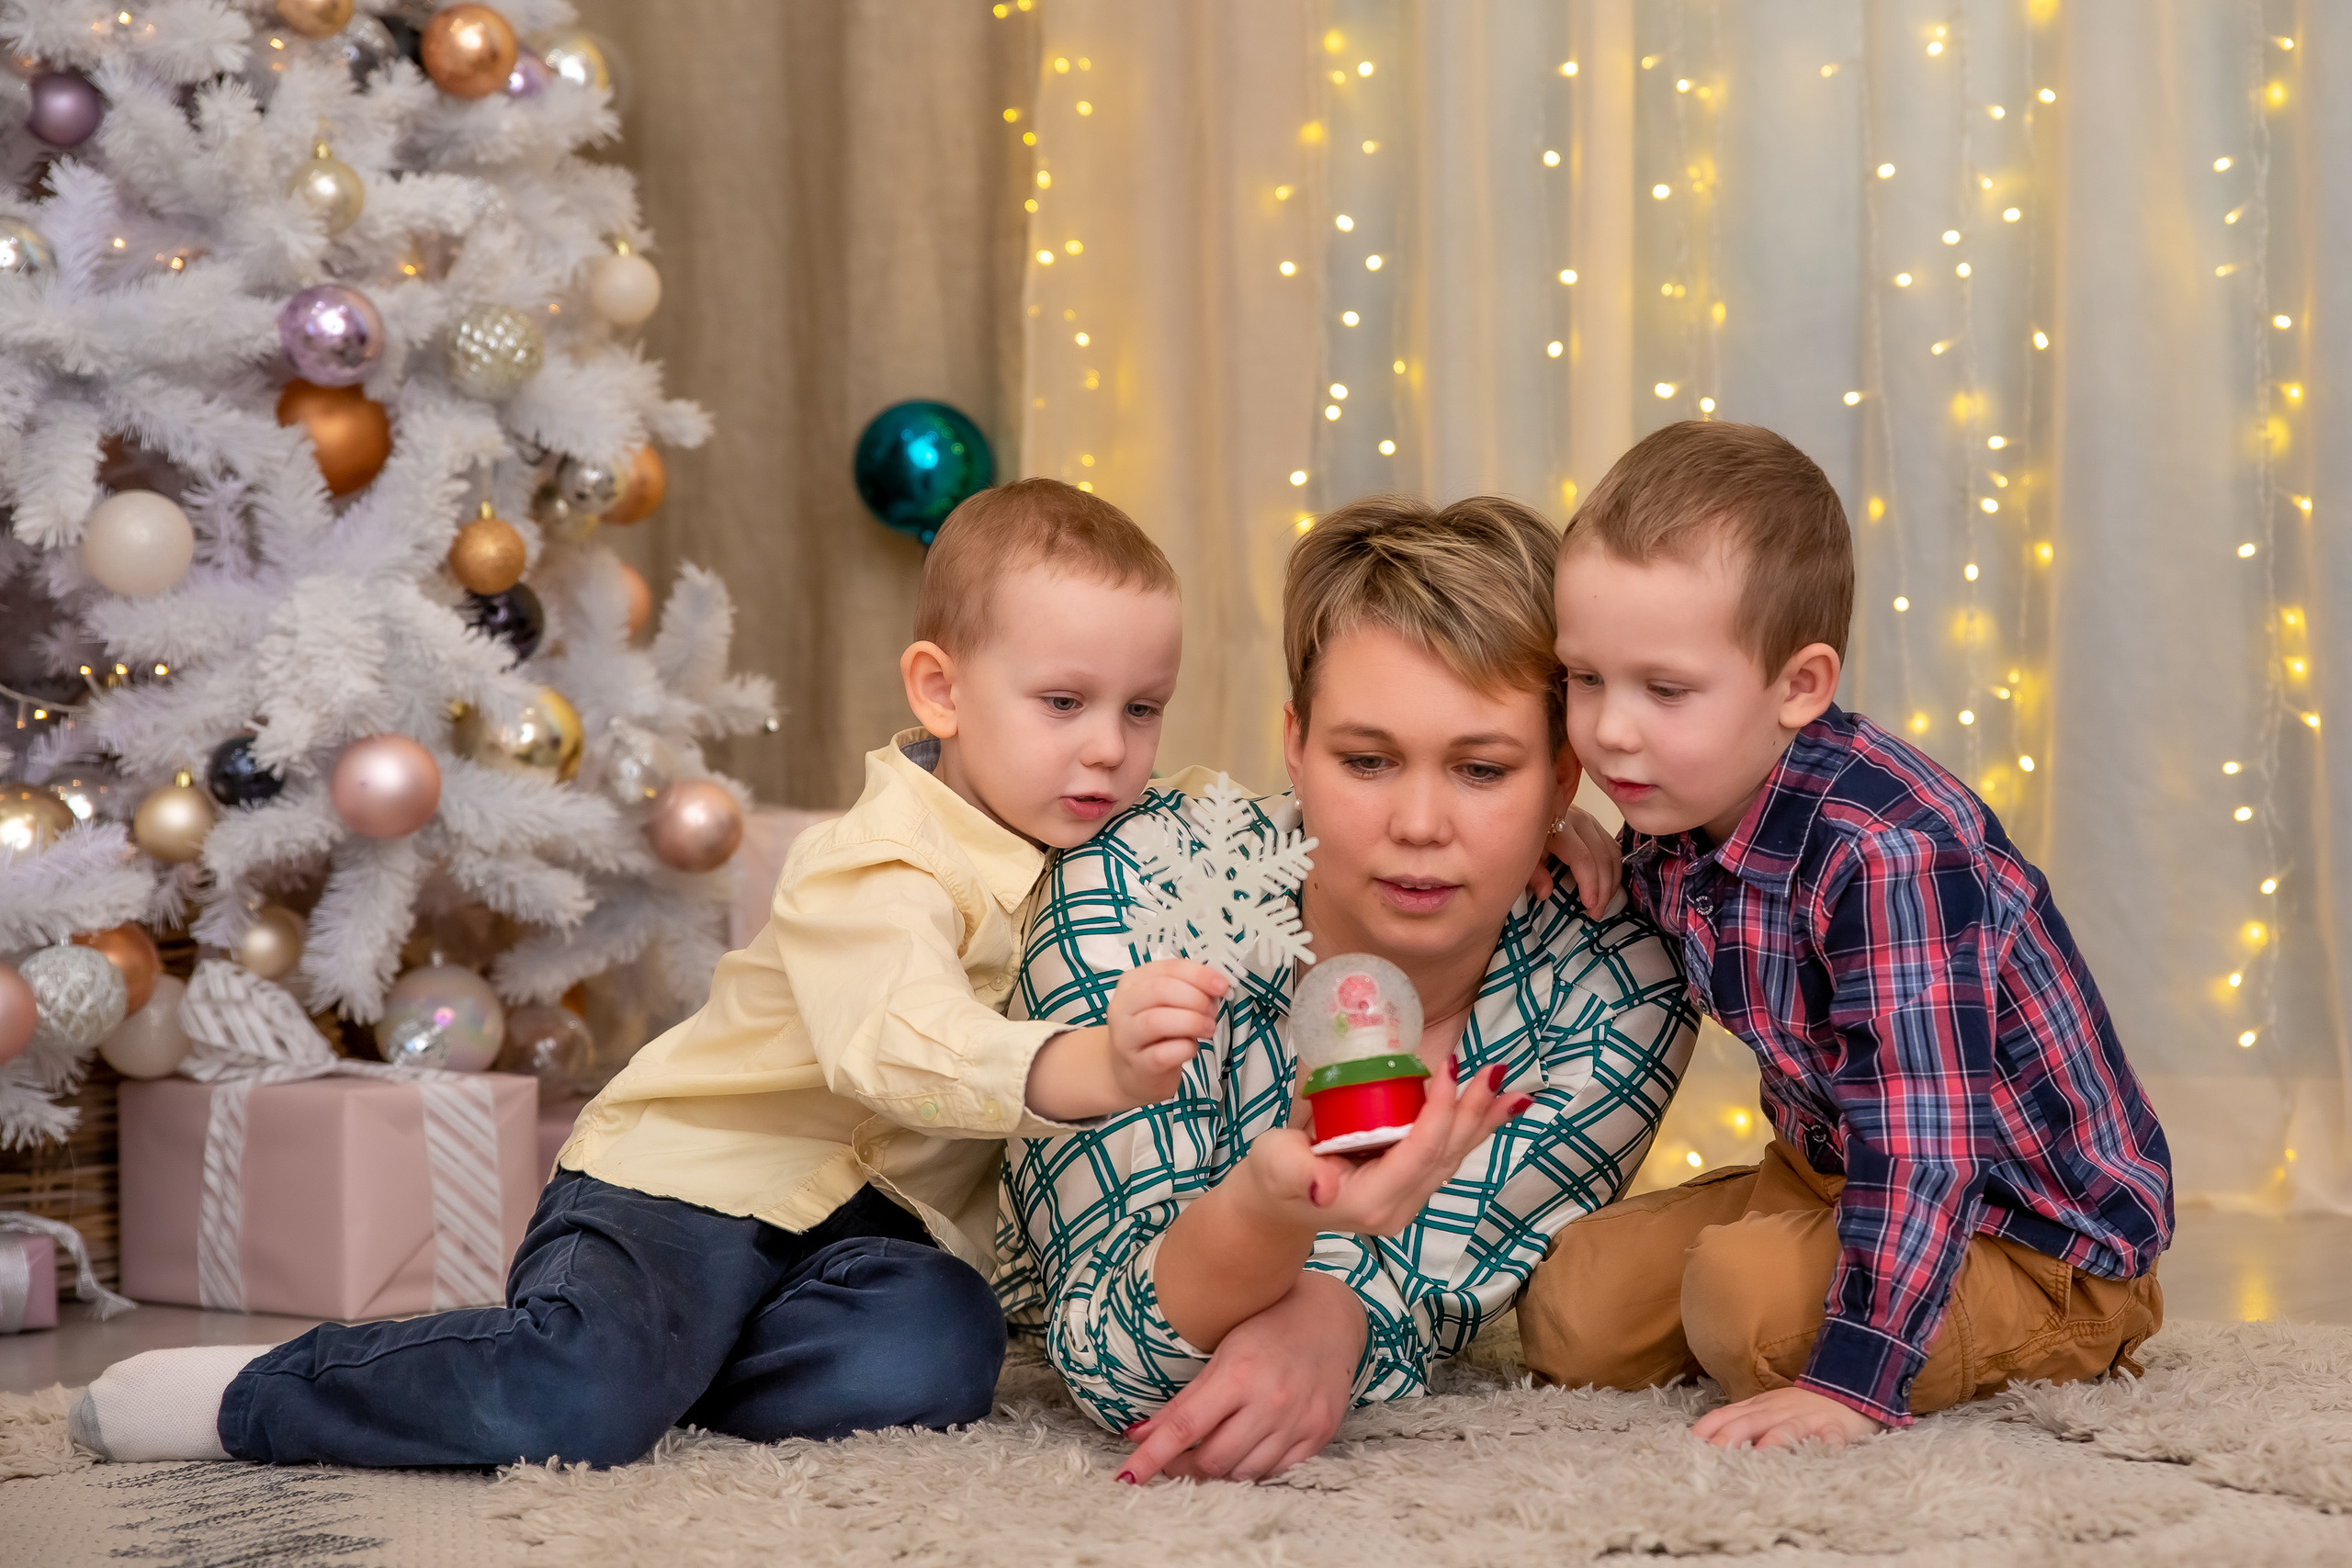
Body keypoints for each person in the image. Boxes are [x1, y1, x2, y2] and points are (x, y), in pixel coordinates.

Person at [73, 478, 1235, 1468]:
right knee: (579, 1396)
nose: (1108, 747)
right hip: (692, 1183)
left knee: (935, 1355)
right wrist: (1076, 1064)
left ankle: (666, 1369)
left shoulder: (1109, 873)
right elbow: (889, 1038)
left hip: (882, 1233)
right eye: (1064, 703)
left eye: (1142, 711)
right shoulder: (878, 861)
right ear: (939, 690)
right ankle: (265, 1394)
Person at [995, 495, 1701, 1484]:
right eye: (1366, 761)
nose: (1418, 823)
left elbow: (1425, 1291)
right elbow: (1114, 1359)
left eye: (1482, 769)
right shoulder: (1132, 895)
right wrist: (1276, 1223)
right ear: (1294, 745)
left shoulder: (1616, 987)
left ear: (1561, 778)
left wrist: (1337, 1316)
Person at [1521, 421, 2173, 1448]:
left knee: (1745, 1312)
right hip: (1829, 1168)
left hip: (2026, 1230)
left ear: (1798, 686)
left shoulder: (1890, 856)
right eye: (1585, 679)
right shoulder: (1685, 811)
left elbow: (1925, 1137)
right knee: (1571, 1305)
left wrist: (1851, 1386)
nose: (1608, 730)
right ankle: (1795, 1260)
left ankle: (2043, 1323)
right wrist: (1574, 846)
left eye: (1665, 689)